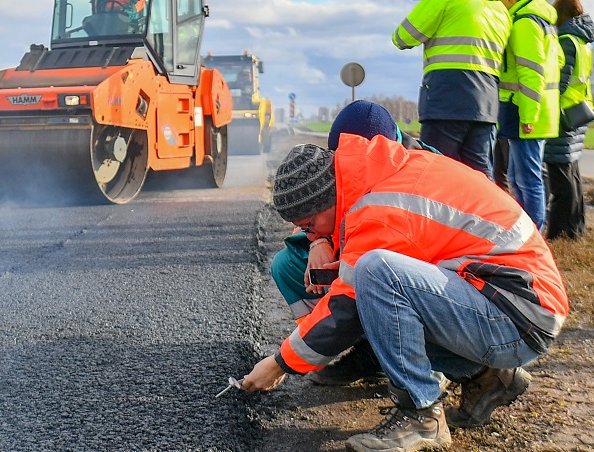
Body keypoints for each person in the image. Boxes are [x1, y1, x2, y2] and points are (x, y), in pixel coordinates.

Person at [243, 137, 569, 451]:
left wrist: (280, 362)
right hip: (505, 300)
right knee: (383, 303)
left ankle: (421, 415)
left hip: (518, 314)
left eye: (310, 225)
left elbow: (347, 307)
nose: (312, 235)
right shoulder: (379, 176)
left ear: (325, 198)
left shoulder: (379, 208)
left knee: (375, 273)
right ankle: (487, 377)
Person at [271, 100, 438, 387]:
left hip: (428, 274)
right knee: (287, 265)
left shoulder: (423, 170)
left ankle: (428, 365)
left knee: (375, 275)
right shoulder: (340, 168)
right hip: (362, 251)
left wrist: (283, 363)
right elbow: (319, 204)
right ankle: (358, 348)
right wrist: (318, 239)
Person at [392, 0, 511, 180]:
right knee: (480, 175)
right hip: (486, 104)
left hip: (446, 99)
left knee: (435, 171)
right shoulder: (500, 11)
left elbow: (402, 37)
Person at [498, 0, 564, 230]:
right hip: (540, 109)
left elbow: (532, 73)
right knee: (520, 177)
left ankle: (532, 234)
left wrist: (528, 116)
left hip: (525, 111)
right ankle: (528, 232)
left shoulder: (524, 23)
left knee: (526, 179)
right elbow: (558, 61)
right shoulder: (543, 20)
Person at [543, 0, 593, 240]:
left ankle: (560, 233)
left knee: (561, 180)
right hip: (576, 114)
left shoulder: (566, 41)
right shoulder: (582, 42)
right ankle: (576, 229)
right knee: (572, 176)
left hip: (562, 117)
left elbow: (559, 83)